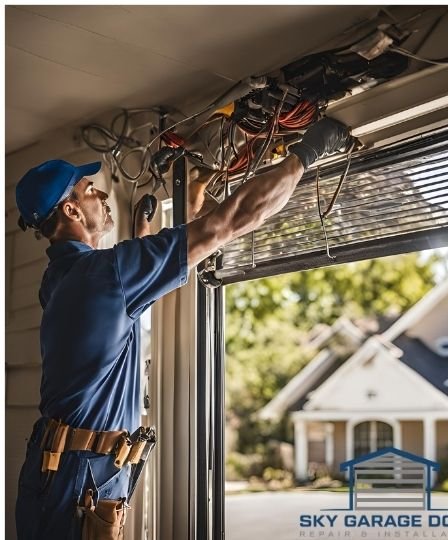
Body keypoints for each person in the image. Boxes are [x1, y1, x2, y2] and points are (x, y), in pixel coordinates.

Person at [14, 117, 351, 539]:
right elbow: (232, 219)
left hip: (54, 471)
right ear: (70, 210)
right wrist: (308, 153)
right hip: (81, 479)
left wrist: (160, 224)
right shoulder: (107, 273)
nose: (100, 194)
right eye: (88, 191)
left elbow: (116, 313)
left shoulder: (58, 280)